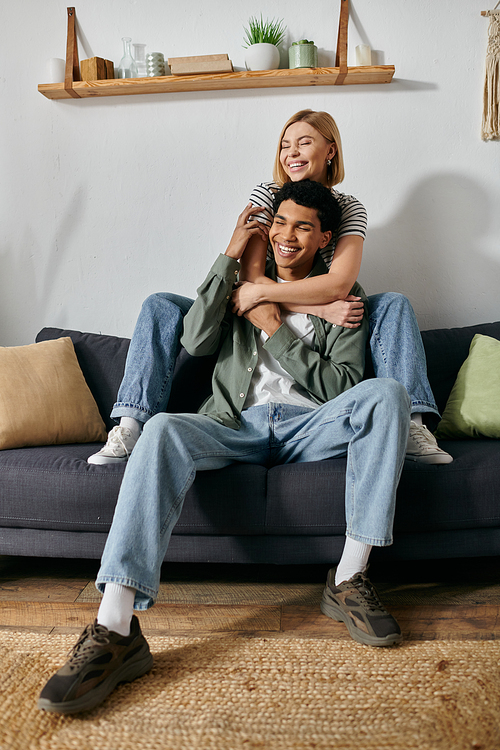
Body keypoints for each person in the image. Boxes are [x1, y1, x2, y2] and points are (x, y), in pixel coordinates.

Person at [39, 180, 411, 715]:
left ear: (324, 237)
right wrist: (231, 255)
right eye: (280, 223)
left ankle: (350, 577)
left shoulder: (342, 300)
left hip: (310, 428)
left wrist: (275, 327)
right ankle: (115, 624)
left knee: (386, 394)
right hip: (233, 425)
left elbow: (342, 389)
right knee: (164, 426)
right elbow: (192, 340)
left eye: (303, 226)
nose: (287, 236)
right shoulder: (240, 286)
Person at [87, 108, 451, 467]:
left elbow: (339, 283)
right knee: (160, 305)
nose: (291, 152)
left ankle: (414, 426)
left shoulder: (348, 207)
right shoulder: (268, 192)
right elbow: (254, 280)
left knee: (392, 304)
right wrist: (316, 306)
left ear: (330, 150)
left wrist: (318, 306)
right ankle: (131, 423)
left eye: (303, 142)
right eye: (284, 145)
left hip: (294, 302)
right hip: (251, 298)